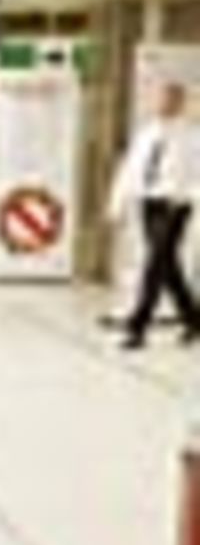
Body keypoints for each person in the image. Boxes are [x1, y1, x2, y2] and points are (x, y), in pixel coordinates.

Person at [109, 80, 200, 349]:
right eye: (162, 98)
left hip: (176, 203)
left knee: (155, 262)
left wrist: (186, 196)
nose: (166, 103)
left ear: (181, 103)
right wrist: (116, 204)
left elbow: (197, 173)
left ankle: (138, 326)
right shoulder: (147, 134)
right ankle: (194, 318)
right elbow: (130, 169)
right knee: (167, 265)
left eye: (173, 99)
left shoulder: (192, 136)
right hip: (149, 201)